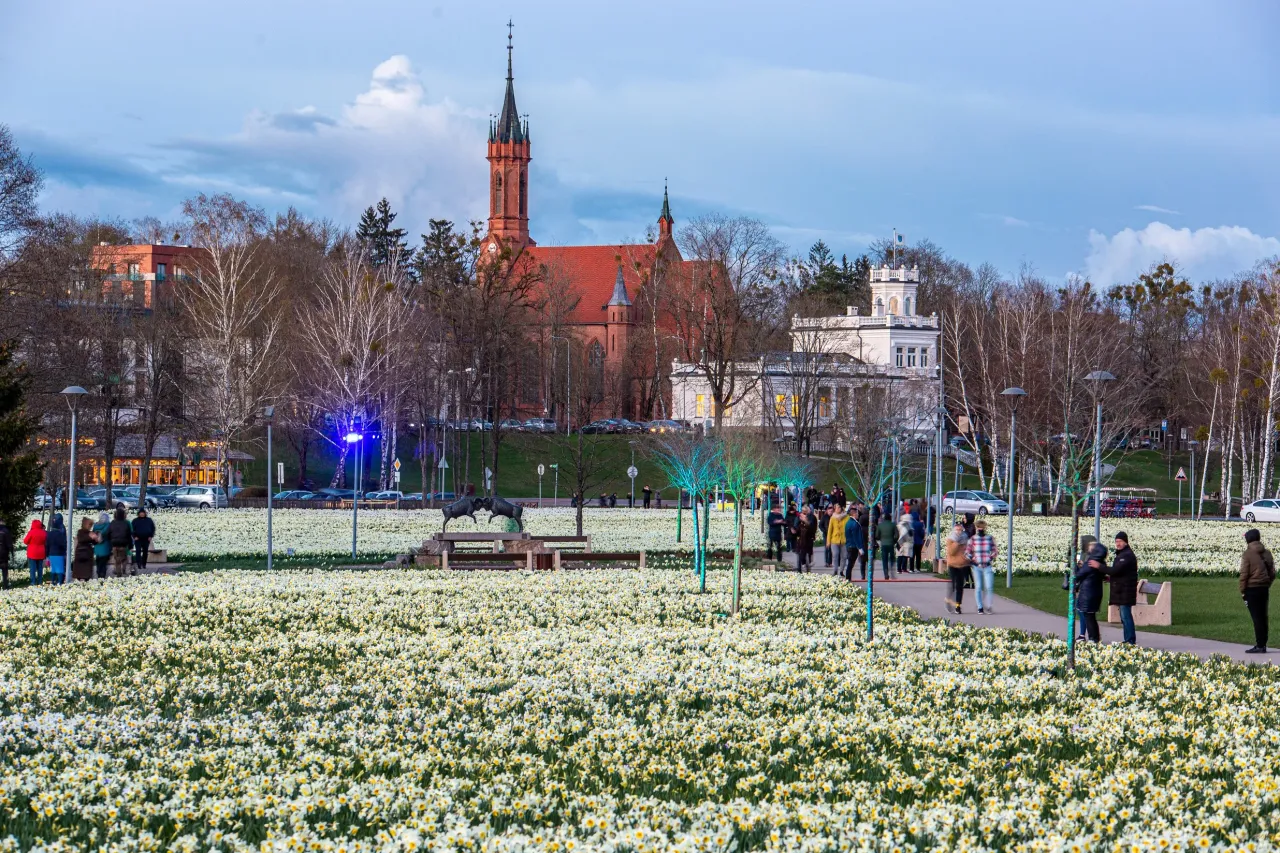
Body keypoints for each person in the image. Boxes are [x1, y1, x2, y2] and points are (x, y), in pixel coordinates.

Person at [1240, 528, 1276, 654]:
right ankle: (1263, 644)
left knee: (1256, 618)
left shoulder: (1247, 554)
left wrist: (1242, 591)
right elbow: (1272, 573)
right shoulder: (1267, 553)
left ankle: (1260, 645)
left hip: (1252, 589)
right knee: (1263, 616)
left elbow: (1244, 575)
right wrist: (1267, 583)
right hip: (1264, 589)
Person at [1105, 531, 1139, 644]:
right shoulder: (1122, 555)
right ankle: (1128, 639)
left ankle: (1130, 640)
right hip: (1123, 590)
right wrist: (1109, 577)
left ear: (1125, 542)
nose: (1118, 544)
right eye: (1116, 542)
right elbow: (1119, 573)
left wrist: (1099, 567)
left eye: (1120, 541)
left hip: (1126, 591)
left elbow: (1116, 570)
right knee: (1124, 617)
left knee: (1126, 617)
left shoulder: (1127, 555)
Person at [1075, 542, 1107, 643]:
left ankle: (1093, 638)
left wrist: (1076, 566)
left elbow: (1079, 574)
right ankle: (1095, 638)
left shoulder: (1090, 563)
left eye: (1090, 549)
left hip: (1087, 593)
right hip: (1096, 593)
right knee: (1091, 616)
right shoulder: (1101, 563)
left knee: (1088, 616)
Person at [965, 518, 997, 614]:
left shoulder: (989, 538)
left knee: (989, 587)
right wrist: (972, 558)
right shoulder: (973, 539)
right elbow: (967, 552)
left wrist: (990, 557)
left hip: (987, 566)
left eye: (982, 527)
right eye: (978, 527)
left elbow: (995, 550)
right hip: (977, 566)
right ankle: (980, 607)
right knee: (978, 587)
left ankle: (988, 605)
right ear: (976, 528)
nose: (980, 529)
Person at [944, 522, 970, 613]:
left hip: (962, 564)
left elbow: (968, 550)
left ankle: (958, 606)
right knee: (953, 584)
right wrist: (957, 543)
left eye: (960, 530)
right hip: (953, 564)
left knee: (960, 586)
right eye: (957, 530)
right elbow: (951, 552)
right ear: (954, 530)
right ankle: (949, 600)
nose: (959, 532)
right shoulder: (951, 539)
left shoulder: (965, 538)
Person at [108, 508, 133, 577]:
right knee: (124, 558)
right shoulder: (126, 523)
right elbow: (129, 535)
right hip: (123, 544)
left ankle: (119, 573)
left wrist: (110, 542)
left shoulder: (112, 522)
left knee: (117, 559)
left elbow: (109, 533)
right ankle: (123, 569)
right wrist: (130, 545)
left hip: (114, 544)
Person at [23, 519, 47, 587]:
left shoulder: (31, 532)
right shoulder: (43, 532)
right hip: (41, 552)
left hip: (32, 552)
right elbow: (46, 541)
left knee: (32, 568)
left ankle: (33, 582)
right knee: (40, 568)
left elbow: (25, 541)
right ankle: (40, 581)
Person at [132, 509, 156, 573]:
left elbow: (153, 528)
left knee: (145, 552)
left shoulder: (149, 520)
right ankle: (138, 564)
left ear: (145, 513)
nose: (142, 514)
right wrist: (134, 536)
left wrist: (151, 536)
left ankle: (144, 564)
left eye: (143, 513)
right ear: (138, 514)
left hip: (146, 539)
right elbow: (131, 529)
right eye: (141, 513)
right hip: (138, 539)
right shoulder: (135, 521)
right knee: (138, 551)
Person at [46, 514, 68, 585]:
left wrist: (47, 554)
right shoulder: (61, 532)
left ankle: (53, 581)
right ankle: (60, 582)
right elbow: (63, 543)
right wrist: (65, 552)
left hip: (52, 553)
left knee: (53, 569)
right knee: (60, 569)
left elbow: (47, 544)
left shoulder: (49, 534)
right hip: (59, 553)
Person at [827, 503, 848, 576]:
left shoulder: (846, 517)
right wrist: (828, 541)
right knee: (835, 555)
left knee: (844, 556)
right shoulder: (832, 518)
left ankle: (841, 571)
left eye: (839, 507)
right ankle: (835, 570)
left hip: (844, 540)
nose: (838, 508)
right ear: (835, 509)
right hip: (834, 540)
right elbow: (830, 530)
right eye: (837, 507)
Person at [876, 510, 897, 580]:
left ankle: (886, 574)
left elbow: (877, 536)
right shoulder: (893, 525)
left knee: (884, 560)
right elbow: (897, 535)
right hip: (891, 544)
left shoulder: (880, 525)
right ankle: (892, 572)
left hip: (884, 544)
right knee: (892, 559)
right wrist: (894, 541)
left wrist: (881, 538)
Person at [845, 508, 864, 582]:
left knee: (850, 563)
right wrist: (860, 548)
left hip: (849, 545)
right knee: (851, 563)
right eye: (857, 513)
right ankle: (848, 578)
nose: (858, 514)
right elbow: (856, 537)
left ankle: (848, 577)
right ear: (853, 514)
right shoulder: (854, 524)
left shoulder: (848, 523)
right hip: (853, 546)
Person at [91, 512, 112, 578]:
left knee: (98, 562)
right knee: (103, 564)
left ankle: (98, 573)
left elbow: (93, 535)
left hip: (97, 548)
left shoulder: (95, 525)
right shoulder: (108, 525)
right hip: (105, 547)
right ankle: (102, 576)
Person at [796, 507, 815, 572]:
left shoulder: (811, 518)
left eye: (805, 511)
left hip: (808, 539)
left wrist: (805, 521)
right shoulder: (799, 518)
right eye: (803, 511)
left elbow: (812, 528)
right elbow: (796, 528)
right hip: (801, 540)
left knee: (808, 553)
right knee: (801, 555)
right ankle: (801, 567)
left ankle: (809, 564)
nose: (803, 512)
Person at [0, 519, 11, 589]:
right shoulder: (6, 531)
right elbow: (9, 544)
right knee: (4, 570)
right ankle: (5, 585)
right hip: (3, 553)